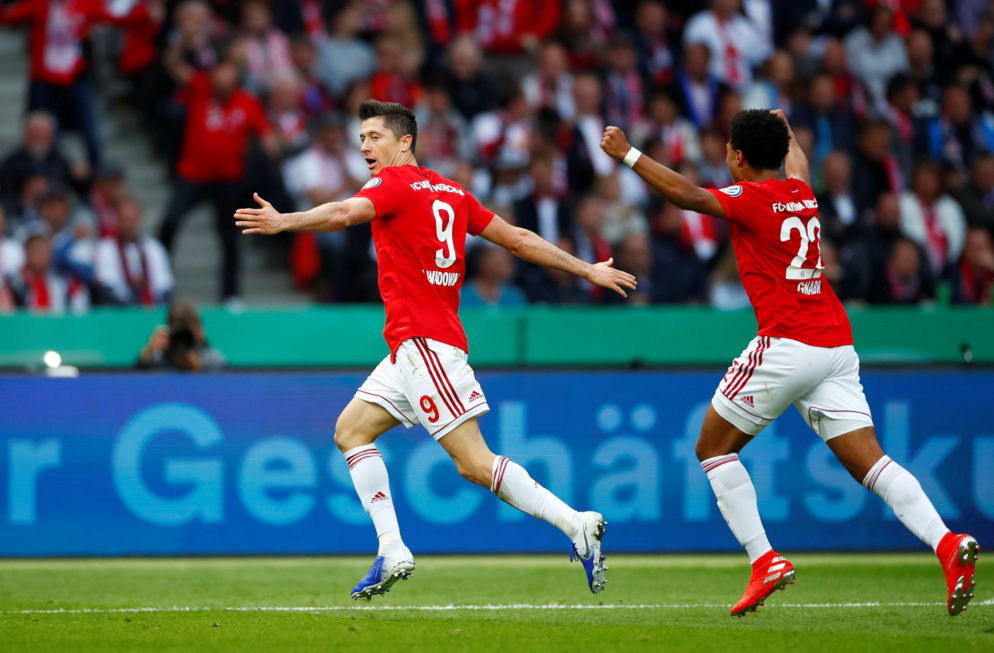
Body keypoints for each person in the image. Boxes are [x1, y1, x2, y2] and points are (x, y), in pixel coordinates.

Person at [235, 100, 636, 601]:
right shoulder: (452, 191)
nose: (365, 147)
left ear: (405, 141)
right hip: (412, 348)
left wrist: (284, 222)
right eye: (361, 138)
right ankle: (391, 549)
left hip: (424, 345)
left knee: (474, 463)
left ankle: (576, 523)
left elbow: (343, 213)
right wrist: (586, 268)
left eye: (375, 137)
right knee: (351, 431)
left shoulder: (392, 184)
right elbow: (516, 239)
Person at [599, 109, 979, 617]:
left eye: (728, 149)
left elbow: (688, 196)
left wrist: (628, 153)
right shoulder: (801, 192)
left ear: (737, 157)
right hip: (835, 346)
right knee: (872, 462)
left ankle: (764, 560)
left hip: (787, 343)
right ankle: (948, 544)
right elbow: (797, 161)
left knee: (712, 448)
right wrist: (789, 132)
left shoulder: (749, 198)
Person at [136, 299, 227, 371]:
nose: (182, 341)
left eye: (187, 334)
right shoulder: (157, 360)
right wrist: (147, 354)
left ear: (198, 330)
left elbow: (227, 380)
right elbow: (134, 381)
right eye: (180, 334)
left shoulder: (211, 359)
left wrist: (200, 369)